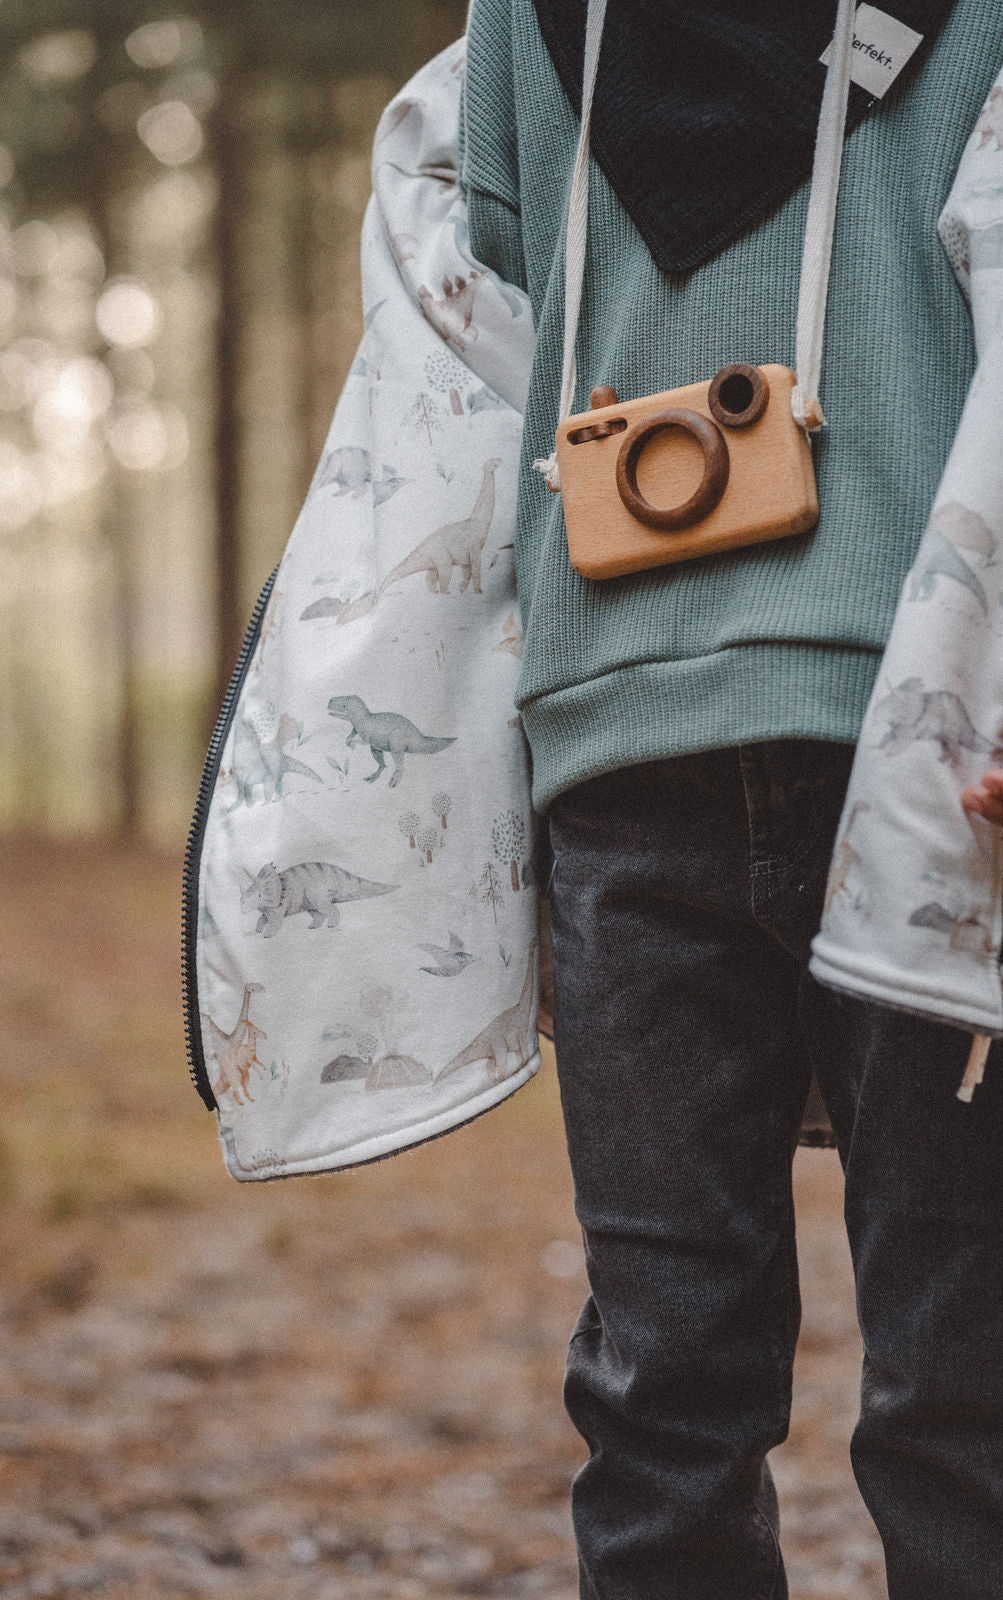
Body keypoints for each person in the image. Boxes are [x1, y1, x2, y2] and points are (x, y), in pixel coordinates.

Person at [459, 1, 1003, 1595]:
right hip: (695, 747)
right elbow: (466, 330)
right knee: (792, 1389)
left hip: (906, 752)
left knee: (755, 1391)